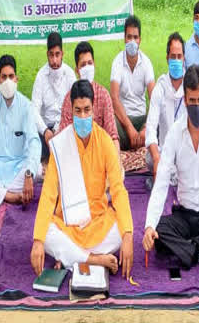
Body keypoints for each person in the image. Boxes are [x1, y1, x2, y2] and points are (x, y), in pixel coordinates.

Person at [31, 80, 134, 276]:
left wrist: (128, 235)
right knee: (45, 233)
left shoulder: (105, 141)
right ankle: (94, 259)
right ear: (71, 110)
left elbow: (118, 190)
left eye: (87, 110)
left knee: (122, 231)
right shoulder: (60, 145)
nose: (83, 116)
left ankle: (71, 258)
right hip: (68, 224)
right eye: (78, 111)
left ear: (94, 109)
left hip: (98, 222)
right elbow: (48, 195)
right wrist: (37, 241)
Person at [143, 65, 199, 275]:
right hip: (183, 216)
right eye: (192, 101)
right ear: (185, 100)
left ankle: (184, 249)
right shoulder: (175, 133)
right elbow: (161, 182)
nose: (197, 106)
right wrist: (149, 225)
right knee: (159, 230)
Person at [0, 55, 41, 205]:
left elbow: (34, 141)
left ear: (16, 79)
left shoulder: (26, 106)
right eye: (4, 77)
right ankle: (11, 196)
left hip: (20, 167)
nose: (7, 81)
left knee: (37, 170)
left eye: (11, 76)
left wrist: (28, 174)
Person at [59, 41, 120, 150]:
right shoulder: (70, 98)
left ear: (94, 64)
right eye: (83, 65)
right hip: (76, 152)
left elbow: (113, 135)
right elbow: (63, 138)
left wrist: (117, 163)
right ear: (77, 70)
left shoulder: (103, 95)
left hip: (100, 152)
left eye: (90, 63)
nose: (87, 67)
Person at [144, 32, 187, 184]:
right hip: (164, 152)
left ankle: (169, 176)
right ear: (167, 58)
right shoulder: (160, 87)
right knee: (149, 158)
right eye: (173, 56)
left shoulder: (190, 85)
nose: (176, 60)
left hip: (186, 152)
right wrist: (157, 158)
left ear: (184, 59)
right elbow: (150, 128)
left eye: (179, 56)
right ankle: (170, 175)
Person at [110, 15, 155, 151]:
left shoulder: (146, 63)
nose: (132, 41)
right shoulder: (117, 62)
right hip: (123, 120)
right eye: (129, 37)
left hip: (141, 118)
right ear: (124, 39)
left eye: (135, 37)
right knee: (110, 123)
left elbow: (154, 98)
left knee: (160, 120)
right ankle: (136, 143)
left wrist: (145, 129)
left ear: (140, 40)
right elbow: (114, 98)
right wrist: (129, 128)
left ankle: (138, 141)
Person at [32, 32, 76, 162]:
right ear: (47, 54)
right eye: (51, 55)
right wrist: (45, 131)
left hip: (63, 127)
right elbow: (34, 109)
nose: (54, 60)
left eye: (57, 55)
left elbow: (74, 107)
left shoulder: (70, 75)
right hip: (44, 130)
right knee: (30, 141)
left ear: (62, 54)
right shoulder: (41, 76)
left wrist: (59, 129)